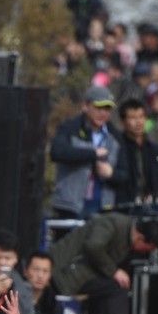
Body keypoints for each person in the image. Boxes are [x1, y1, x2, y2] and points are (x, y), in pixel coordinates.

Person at [48, 213, 158, 314]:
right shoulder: (113, 223)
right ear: (140, 238)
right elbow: (93, 246)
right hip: (65, 271)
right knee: (117, 286)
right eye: (146, 249)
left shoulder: (128, 241)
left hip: (85, 274)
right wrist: (114, 271)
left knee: (113, 288)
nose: (144, 253)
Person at [50, 85, 128, 218]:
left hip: (102, 208)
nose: (103, 113)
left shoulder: (116, 136)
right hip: (70, 206)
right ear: (85, 106)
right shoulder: (70, 128)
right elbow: (57, 152)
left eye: (107, 109)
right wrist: (92, 154)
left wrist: (111, 174)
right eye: (98, 107)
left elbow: (125, 174)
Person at [116, 99, 158, 204]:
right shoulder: (117, 148)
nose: (138, 122)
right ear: (122, 122)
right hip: (126, 206)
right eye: (132, 118)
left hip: (153, 207)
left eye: (141, 117)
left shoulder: (154, 149)